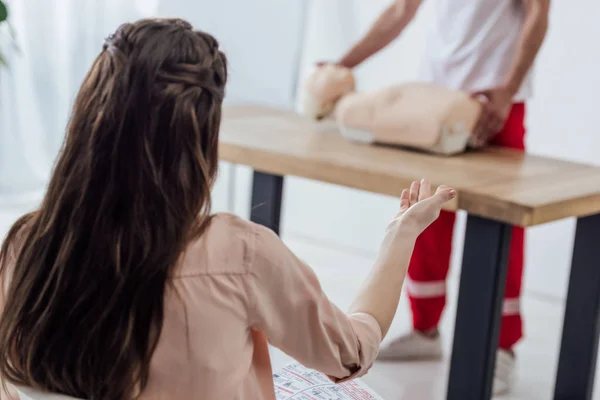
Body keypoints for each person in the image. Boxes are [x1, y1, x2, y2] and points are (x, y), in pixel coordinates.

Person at [0, 18, 456, 400]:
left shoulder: (25, 246)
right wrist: (401, 237)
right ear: (200, 138)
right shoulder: (241, 254)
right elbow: (351, 355)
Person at [323, 0, 550, 394]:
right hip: (435, 103)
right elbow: (400, 11)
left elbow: (537, 14)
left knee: (503, 226)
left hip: (494, 100)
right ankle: (425, 331)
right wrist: (339, 67)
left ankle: (502, 348)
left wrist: (508, 89)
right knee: (425, 213)